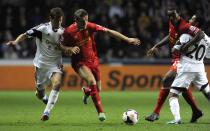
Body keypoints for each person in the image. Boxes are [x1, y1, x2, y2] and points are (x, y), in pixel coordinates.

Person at [60, 9, 140, 121]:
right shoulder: (68, 32)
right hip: (79, 62)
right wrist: (69, 48)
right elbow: (61, 46)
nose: (85, 24)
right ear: (76, 20)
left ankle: (87, 91)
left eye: (86, 21)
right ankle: (101, 113)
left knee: (98, 89)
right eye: (83, 22)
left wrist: (127, 39)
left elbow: (109, 31)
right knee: (92, 81)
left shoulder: (90, 26)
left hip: (93, 60)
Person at [145, 10, 204, 122]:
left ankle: (156, 113)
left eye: (177, 15)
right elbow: (170, 35)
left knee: (167, 79)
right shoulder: (172, 24)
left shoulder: (185, 26)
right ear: (170, 18)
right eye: (174, 17)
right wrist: (157, 46)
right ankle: (196, 111)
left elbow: (200, 34)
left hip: (184, 60)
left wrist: (187, 46)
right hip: (176, 58)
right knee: (182, 86)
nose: (178, 18)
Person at [7, 7, 64, 121]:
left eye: (60, 20)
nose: (58, 23)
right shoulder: (42, 29)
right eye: (56, 20)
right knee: (40, 93)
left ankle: (46, 112)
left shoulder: (64, 32)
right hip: (41, 65)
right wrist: (16, 42)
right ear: (51, 18)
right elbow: (25, 34)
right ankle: (43, 97)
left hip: (55, 65)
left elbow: (69, 45)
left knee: (57, 84)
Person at [168, 32, 210, 124]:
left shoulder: (186, 35)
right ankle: (195, 112)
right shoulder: (207, 39)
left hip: (187, 67)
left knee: (173, 95)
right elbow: (208, 56)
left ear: (196, 23)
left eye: (192, 19)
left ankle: (177, 119)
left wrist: (183, 49)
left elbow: (174, 50)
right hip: (200, 68)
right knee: (207, 93)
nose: (190, 21)